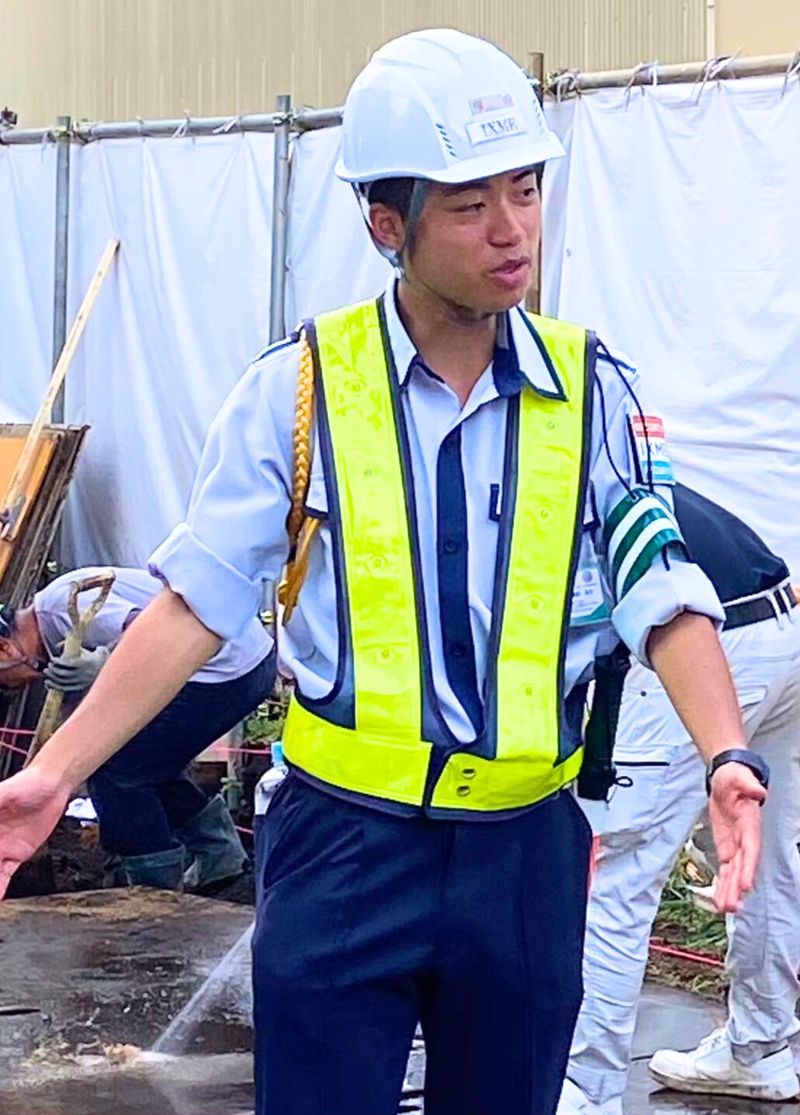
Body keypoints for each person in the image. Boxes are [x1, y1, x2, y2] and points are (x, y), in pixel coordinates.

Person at [0, 29, 769, 1115]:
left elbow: (660, 584)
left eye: (524, 190)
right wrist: (54, 774)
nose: (511, 230)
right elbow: (193, 603)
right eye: (469, 204)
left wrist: (724, 751)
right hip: (343, 846)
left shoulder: (593, 388)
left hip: (525, 850)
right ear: (385, 224)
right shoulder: (299, 391)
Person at [559, 484, 800, 1114]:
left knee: (616, 872)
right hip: (782, 625)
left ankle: (583, 1091)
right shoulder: (624, 469)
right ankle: (761, 1046)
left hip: (699, 639)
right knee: (764, 854)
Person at [0, 566, 275, 890]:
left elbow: (163, 629)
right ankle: (218, 856)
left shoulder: (60, 607)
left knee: (115, 771)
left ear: (4, 648)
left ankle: (149, 888)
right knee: (146, 765)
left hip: (226, 667)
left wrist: (105, 662)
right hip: (238, 664)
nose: (9, 688)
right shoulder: (56, 640)